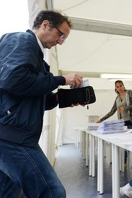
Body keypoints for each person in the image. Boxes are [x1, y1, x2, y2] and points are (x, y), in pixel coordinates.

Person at [0, 10, 83, 197]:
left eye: (64, 39)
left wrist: (59, 99)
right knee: (52, 192)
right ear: (45, 24)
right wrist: (61, 79)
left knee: (8, 192)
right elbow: (12, 79)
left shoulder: (36, 55)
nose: (60, 41)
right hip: (14, 137)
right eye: (60, 35)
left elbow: (32, 96)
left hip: (11, 133)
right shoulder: (22, 40)